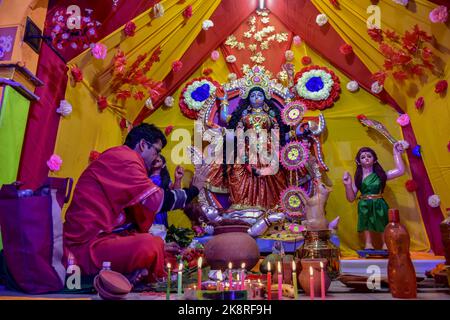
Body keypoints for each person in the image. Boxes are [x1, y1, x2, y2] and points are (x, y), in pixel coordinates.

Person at [63, 124, 209, 283]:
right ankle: (132, 274)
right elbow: (158, 201)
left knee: (160, 248)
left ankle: (131, 273)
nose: (157, 157)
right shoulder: (125, 159)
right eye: (157, 151)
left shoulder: (125, 159)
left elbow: (140, 215)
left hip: (106, 237)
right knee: (150, 246)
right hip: (85, 246)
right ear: (143, 144)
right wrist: (194, 190)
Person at [342, 142, 405, 250]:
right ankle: (368, 243)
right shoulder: (359, 178)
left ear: (374, 159)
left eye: (369, 156)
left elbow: (400, 171)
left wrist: (396, 153)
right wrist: (347, 185)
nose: (366, 158)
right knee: (365, 224)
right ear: (358, 161)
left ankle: (385, 243)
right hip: (364, 204)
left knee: (383, 222)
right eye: (363, 157)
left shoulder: (381, 176)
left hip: (379, 202)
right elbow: (351, 198)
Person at [149, 155, 184, 228]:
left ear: (163, 165)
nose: (155, 160)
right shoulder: (143, 176)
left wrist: (178, 179)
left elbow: (176, 193)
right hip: (145, 211)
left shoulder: (165, 180)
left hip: (159, 213)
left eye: (158, 160)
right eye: (154, 160)